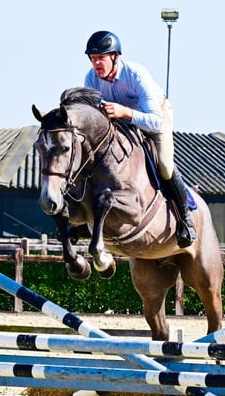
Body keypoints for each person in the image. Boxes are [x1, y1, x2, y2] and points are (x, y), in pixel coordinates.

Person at [83, 30, 197, 248]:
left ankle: (185, 219)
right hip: (121, 123)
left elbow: (155, 122)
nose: (96, 63)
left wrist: (125, 112)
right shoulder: (91, 78)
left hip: (156, 118)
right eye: (93, 58)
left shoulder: (136, 74)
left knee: (164, 165)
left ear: (115, 57)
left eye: (101, 58)